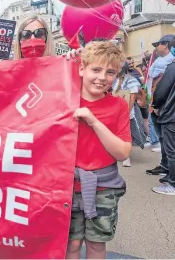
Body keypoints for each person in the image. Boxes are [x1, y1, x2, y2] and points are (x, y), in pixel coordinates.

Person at [66, 41, 131, 259]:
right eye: (96, 69)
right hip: (67, 188)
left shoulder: (118, 106)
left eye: (110, 72)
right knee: (71, 245)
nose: (102, 77)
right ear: (82, 69)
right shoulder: (64, 99)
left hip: (104, 188)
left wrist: (94, 122)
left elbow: (123, 152)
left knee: (95, 245)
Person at [146, 35, 175, 175]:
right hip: (163, 106)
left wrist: (156, 104)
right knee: (165, 140)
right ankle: (165, 166)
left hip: (166, 108)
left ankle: (170, 176)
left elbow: (162, 87)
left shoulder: (171, 65)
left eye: (158, 44)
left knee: (168, 142)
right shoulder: (165, 62)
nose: (156, 48)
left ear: (166, 45)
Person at [112, 62, 146, 167]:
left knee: (127, 134)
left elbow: (132, 97)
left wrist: (127, 111)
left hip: (128, 111)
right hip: (115, 111)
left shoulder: (131, 79)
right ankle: (118, 153)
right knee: (118, 133)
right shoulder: (114, 79)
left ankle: (126, 157)